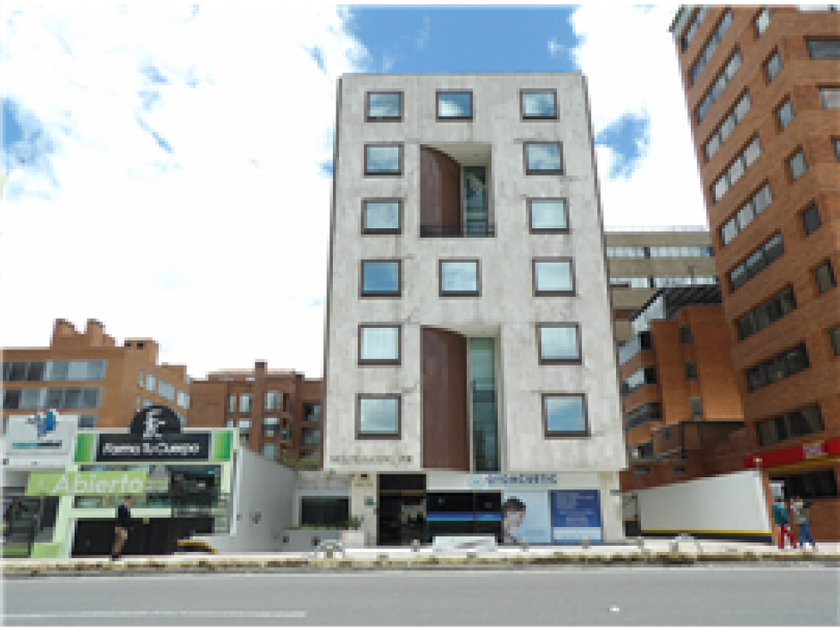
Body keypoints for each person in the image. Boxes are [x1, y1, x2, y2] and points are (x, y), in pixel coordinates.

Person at [111, 496, 133, 560]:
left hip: (125, 526)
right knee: (120, 539)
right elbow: (119, 517)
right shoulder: (121, 507)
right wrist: (118, 526)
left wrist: (129, 526)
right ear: (127, 500)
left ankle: (117, 552)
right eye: (129, 500)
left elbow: (127, 519)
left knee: (122, 539)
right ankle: (115, 553)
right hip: (121, 526)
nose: (130, 502)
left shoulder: (127, 508)